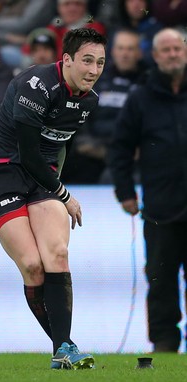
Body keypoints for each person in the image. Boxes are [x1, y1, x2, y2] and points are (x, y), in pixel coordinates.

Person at [0, 27, 106, 368]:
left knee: (58, 255)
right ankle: (64, 344)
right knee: (33, 267)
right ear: (66, 60)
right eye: (87, 61)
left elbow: (58, 148)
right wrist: (65, 196)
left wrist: (55, 187)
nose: (94, 70)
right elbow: (29, 155)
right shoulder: (36, 85)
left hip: (42, 178)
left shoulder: (89, 102)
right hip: (2, 174)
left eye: (101, 63)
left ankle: (63, 350)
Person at [110, 28, 187, 352]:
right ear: (154, 56)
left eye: (177, 49)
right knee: (160, 280)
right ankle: (165, 343)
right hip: (160, 208)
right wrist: (125, 191)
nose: (172, 54)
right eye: (165, 50)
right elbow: (120, 148)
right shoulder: (140, 98)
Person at [61, 29, 146, 184]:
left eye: (130, 49)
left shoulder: (148, 83)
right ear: (113, 52)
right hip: (96, 149)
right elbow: (80, 114)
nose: (124, 54)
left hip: (133, 153)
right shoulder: (96, 78)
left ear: (140, 53)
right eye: (120, 48)